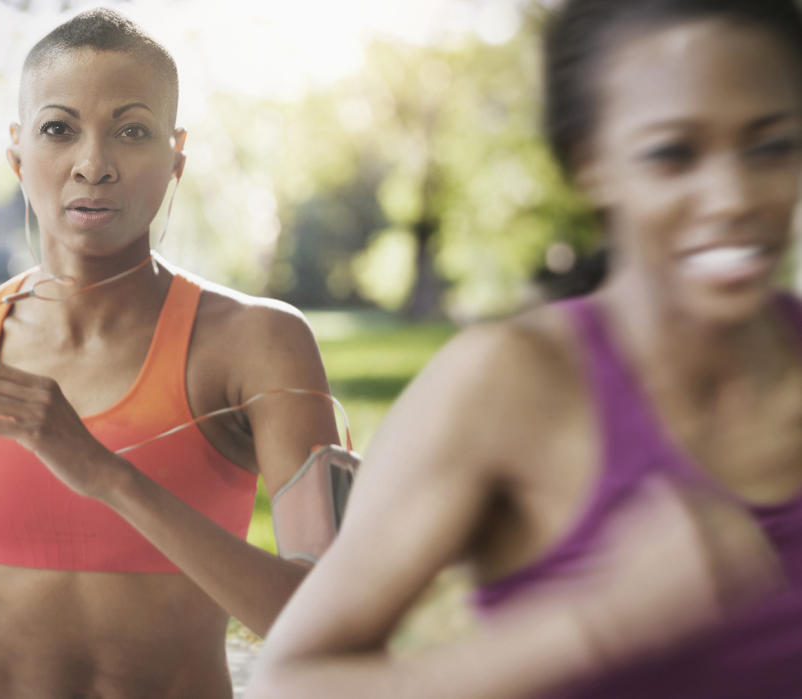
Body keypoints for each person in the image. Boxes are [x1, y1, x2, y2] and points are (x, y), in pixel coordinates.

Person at [247, 0, 802, 696]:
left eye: (771, 146)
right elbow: (289, 684)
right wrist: (598, 622)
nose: (732, 196)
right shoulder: (504, 384)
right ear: (591, 164)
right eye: (672, 154)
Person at [0, 10, 342, 699]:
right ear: (17, 153)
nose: (94, 164)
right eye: (59, 129)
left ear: (176, 155)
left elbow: (328, 612)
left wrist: (103, 472)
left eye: (132, 130)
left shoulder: (260, 342)